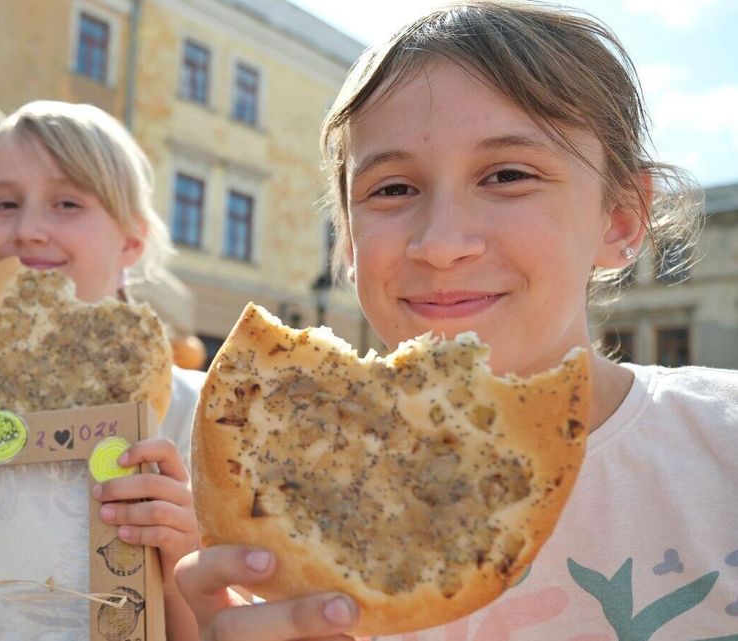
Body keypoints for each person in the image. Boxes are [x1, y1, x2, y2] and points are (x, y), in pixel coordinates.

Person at [175, 2, 738, 639]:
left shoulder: (722, 448)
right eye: (392, 189)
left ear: (621, 219)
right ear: (351, 247)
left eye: (507, 175)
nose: (441, 243)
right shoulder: (280, 535)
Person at [0, 100, 203, 640]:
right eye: (5, 203)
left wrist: (184, 564)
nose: (30, 229)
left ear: (131, 239)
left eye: (66, 203)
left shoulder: (198, 416)